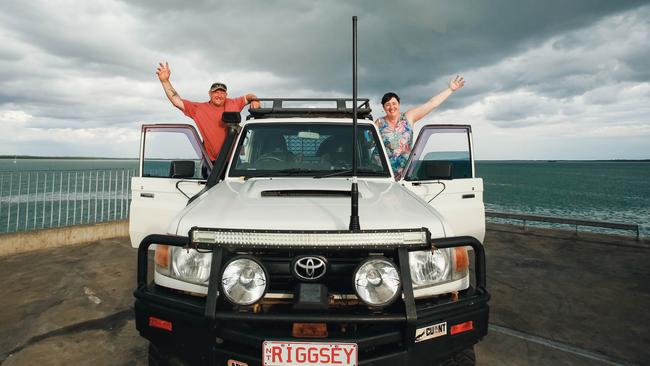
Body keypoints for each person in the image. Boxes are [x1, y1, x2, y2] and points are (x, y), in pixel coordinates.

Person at [156, 62, 260, 161]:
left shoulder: (234, 103)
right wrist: (165, 81)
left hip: (233, 163)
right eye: (216, 92)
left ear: (226, 95)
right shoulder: (199, 109)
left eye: (222, 93)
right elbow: (176, 101)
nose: (219, 95)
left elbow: (249, 96)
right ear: (209, 94)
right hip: (211, 163)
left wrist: (255, 99)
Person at [376, 75, 465, 179]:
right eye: (387, 104)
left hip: (403, 174)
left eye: (394, 103)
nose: (391, 107)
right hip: (381, 174)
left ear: (399, 104)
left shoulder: (409, 117)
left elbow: (432, 104)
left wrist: (450, 89)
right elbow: (366, 143)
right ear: (383, 107)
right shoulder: (379, 123)